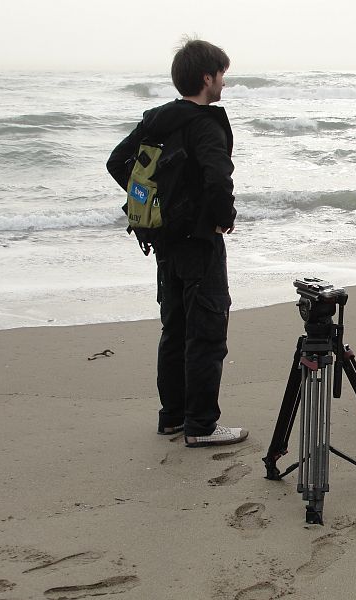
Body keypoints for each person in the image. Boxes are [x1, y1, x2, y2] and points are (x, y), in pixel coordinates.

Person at [107, 39, 247, 448]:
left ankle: (171, 418)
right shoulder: (206, 123)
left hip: (163, 242)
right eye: (221, 74)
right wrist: (224, 220)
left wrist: (158, 205)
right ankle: (201, 425)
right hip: (200, 242)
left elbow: (118, 163)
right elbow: (218, 178)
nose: (223, 81)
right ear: (207, 78)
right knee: (205, 333)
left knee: (174, 329)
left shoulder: (157, 120)